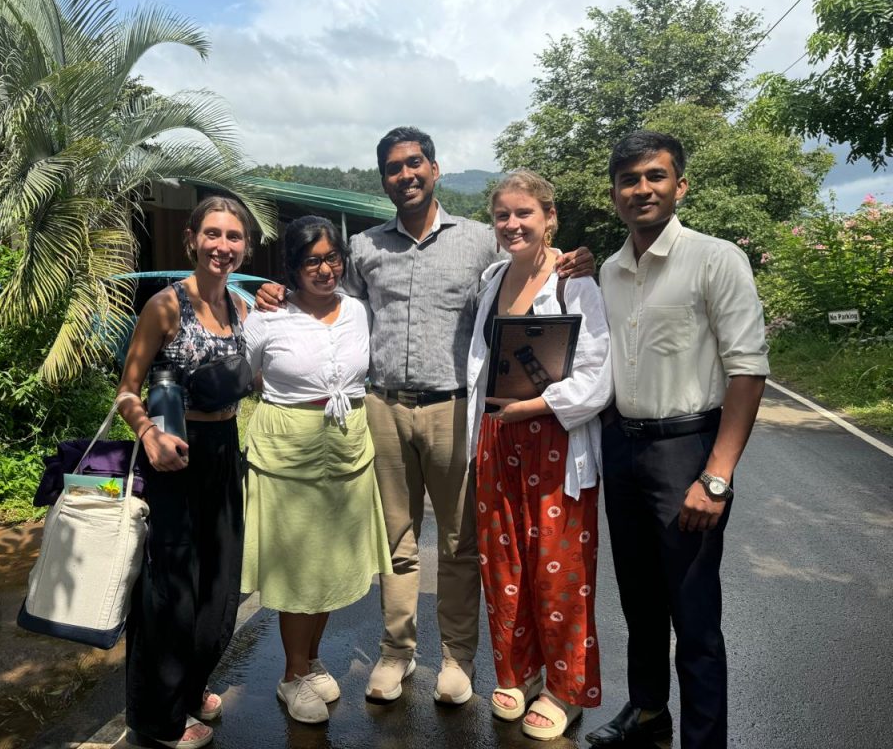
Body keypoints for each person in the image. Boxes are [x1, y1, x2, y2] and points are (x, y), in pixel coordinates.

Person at [257, 127, 594, 706]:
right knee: (398, 542)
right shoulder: (363, 248)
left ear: (434, 170)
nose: (405, 175)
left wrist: (569, 259)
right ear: (383, 178)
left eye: (415, 164)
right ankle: (396, 652)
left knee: (462, 542)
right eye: (393, 168)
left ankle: (458, 659)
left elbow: (530, 261)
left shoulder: (480, 242)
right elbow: (331, 299)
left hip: (454, 407)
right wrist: (277, 295)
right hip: (382, 407)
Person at [586, 131, 768, 749]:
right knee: (638, 602)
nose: (642, 189)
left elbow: (748, 369)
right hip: (623, 447)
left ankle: (704, 738)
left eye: (655, 176)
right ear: (614, 194)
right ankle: (647, 711)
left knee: (693, 615)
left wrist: (716, 476)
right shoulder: (606, 272)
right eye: (629, 180)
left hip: (687, 450)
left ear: (679, 185)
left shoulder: (715, 259)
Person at [464, 170, 612, 740]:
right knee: (504, 566)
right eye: (502, 215)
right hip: (498, 438)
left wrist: (539, 408)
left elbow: (599, 376)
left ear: (550, 217)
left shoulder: (575, 283)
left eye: (524, 213)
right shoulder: (493, 278)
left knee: (559, 571)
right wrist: (496, 421)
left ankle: (566, 688)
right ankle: (518, 671)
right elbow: (481, 365)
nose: (512, 224)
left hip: (553, 439)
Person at [241, 215, 392, 724]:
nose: (325, 269)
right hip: (289, 449)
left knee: (329, 564)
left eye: (332, 258)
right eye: (312, 261)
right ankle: (290, 675)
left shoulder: (357, 311)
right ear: (293, 267)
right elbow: (241, 372)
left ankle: (309, 660)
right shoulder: (268, 316)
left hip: (347, 443)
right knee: (298, 566)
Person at [116, 196, 252, 749]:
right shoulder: (166, 307)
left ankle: (191, 685)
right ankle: (158, 719)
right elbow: (127, 391)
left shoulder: (242, 307)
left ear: (246, 245)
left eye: (234, 236)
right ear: (192, 238)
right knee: (171, 587)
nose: (223, 245)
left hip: (224, 449)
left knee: (219, 580)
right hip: (172, 454)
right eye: (213, 234)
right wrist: (149, 433)